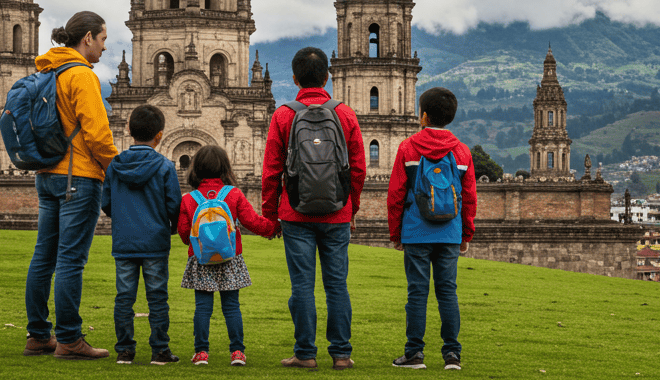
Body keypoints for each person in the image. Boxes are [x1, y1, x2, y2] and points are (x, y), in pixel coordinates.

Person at [261, 47, 366, 370]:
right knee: (337, 285)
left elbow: (272, 170)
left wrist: (271, 214)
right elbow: (358, 169)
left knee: (302, 286)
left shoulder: (283, 114)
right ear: (327, 77)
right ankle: (341, 354)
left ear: (294, 78)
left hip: (295, 213)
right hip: (337, 213)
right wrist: (351, 208)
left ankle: (305, 353)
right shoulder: (345, 114)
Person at [23, 11, 119, 360]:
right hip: (77, 178)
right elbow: (97, 133)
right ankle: (68, 339)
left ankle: (38, 335)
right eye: (104, 39)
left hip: (46, 175)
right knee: (70, 261)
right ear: (89, 38)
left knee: (43, 257)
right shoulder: (81, 76)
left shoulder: (48, 69)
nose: (105, 47)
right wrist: (115, 168)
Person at [387, 87, 477, 372]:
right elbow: (470, 198)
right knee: (448, 292)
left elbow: (396, 194)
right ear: (450, 117)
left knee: (417, 292)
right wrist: (466, 235)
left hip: (416, 230)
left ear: (423, 116)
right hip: (450, 232)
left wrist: (396, 233)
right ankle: (452, 355)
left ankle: (414, 354)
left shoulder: (408, 147)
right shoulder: (462, 151)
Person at [176, 145, 279, 367]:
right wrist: (274, 228)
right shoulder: (233, 194)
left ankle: (201, 353)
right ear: (225, 167)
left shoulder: (188, 199)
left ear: (196, 168)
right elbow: (252, 221)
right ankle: (237, 353)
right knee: (231, 306)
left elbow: (185, 235)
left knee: (202, 308)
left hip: (201, 259)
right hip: (230, 259)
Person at [102, 104, 181, 365]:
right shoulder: (165, 166)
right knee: (157, 297)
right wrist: (168, 227)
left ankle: (125, 350)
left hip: (124, 241)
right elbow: (174, 205)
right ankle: (160, 350)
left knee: (124, 297)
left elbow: (106, 202)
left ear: (128, 130)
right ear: (159, 135)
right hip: (155, 242)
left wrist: (124, 219)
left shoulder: (115, 165)